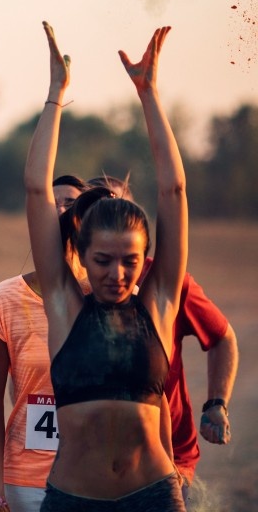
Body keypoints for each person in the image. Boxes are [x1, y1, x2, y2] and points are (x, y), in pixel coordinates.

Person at [25, 23, 186, 511]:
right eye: (103, 261)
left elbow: (173, 191)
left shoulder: (158, 304)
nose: (117, 274)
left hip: (154, 495)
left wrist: (149, 94)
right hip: (74, 499)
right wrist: (55, 95)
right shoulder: (64, 305)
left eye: (130, 262)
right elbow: (35, 190)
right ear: (80, 251)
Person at [88, 177, 238, 504]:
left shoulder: (167, 285)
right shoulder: (68, 292)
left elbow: (222, 337)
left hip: (167, 457)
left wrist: (216, 404)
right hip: (92, 459)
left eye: (120, 209)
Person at [0, 176, 91, 512]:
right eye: (49, 202)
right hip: (26, 483)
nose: (59, 209)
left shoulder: (115, 298)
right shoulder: (4, 299)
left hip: (98, 480)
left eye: (71, 202)